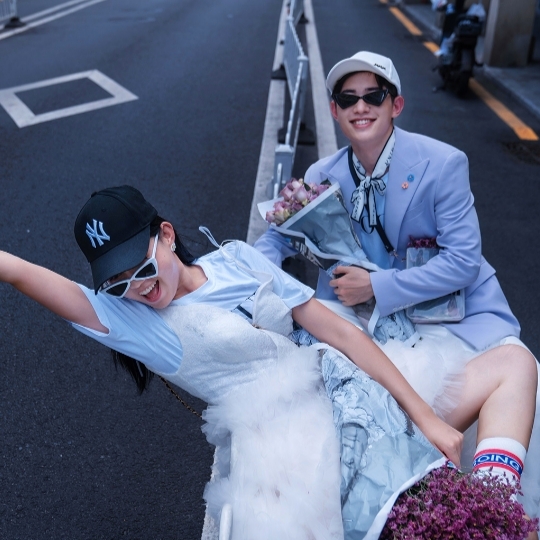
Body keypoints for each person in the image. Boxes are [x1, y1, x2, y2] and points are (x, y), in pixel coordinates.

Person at [0, 186, 535, 538]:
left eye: (140, 267)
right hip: (302, 457)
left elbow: (340, 333)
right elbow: (27, 275)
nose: (136, 287)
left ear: (165, 235)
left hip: (354, 393)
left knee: (513, 365)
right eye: (117, 283)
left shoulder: (235, 258)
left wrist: (424, 415)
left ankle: (494, 506)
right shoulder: (141, 327)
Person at [254, 51, 540, 519]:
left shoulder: (443, 163)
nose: (360, 107)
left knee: (515, 368)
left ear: (396, 105)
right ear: (334, 110)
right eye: (348, 98)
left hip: (451, 318)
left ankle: (491, 507)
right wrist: (254, 281)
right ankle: (420, 507)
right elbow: (275, 240)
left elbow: (463, 262)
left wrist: (377, 286)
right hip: (365, 328)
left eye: (374, 96)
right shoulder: (321, 176)